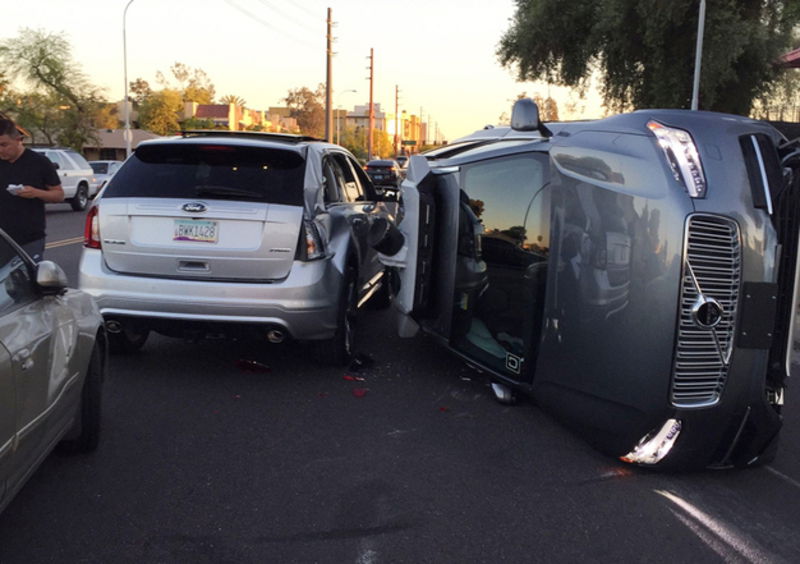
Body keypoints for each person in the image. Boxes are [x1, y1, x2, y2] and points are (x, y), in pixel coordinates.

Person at [0, 118, 64, 261]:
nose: (1, 150)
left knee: (28, 279)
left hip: (29, 238)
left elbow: (59, 195)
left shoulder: (39, 162)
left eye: (4, 145)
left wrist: (36, 193)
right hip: (2, 237)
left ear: (18, 140)